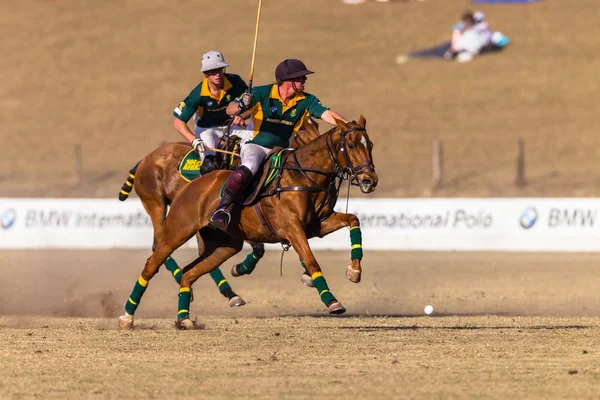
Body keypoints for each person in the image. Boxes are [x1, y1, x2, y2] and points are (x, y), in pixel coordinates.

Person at [208, 59, 348, 230]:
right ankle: (223, 209)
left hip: (283, 150)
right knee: (249, 167)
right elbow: (230, 109)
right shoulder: (261, 93)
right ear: (288, 80)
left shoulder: (306, 100)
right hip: (256, 145)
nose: (305, 80)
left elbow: (327, 114)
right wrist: (241, 104)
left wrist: (348, 126)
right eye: (301, 77)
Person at [173, 50, 250, 175]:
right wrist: (194, 140)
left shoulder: (236, 82)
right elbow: (178, 122)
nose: (218, 74)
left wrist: (242, 115)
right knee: (210, 166)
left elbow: (251, 107)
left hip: (232, 125)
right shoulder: (197, 94)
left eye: (220, 69)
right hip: (207, 129)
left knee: (254, 148)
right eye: (213, 72)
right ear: (205, 74)